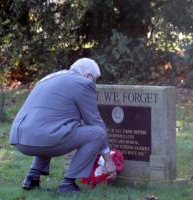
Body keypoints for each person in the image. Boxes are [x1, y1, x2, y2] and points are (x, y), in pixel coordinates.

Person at [9, 58, 116, 193]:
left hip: (19, 138)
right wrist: (109, 160)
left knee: (49, 126)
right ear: (89, 75)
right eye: (95, 79)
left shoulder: (48, 78)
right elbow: (95, 122)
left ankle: (32, 178)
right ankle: (68, 184)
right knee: (98, 133)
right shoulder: (83, 82)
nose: (95, 83)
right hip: (44, 138)